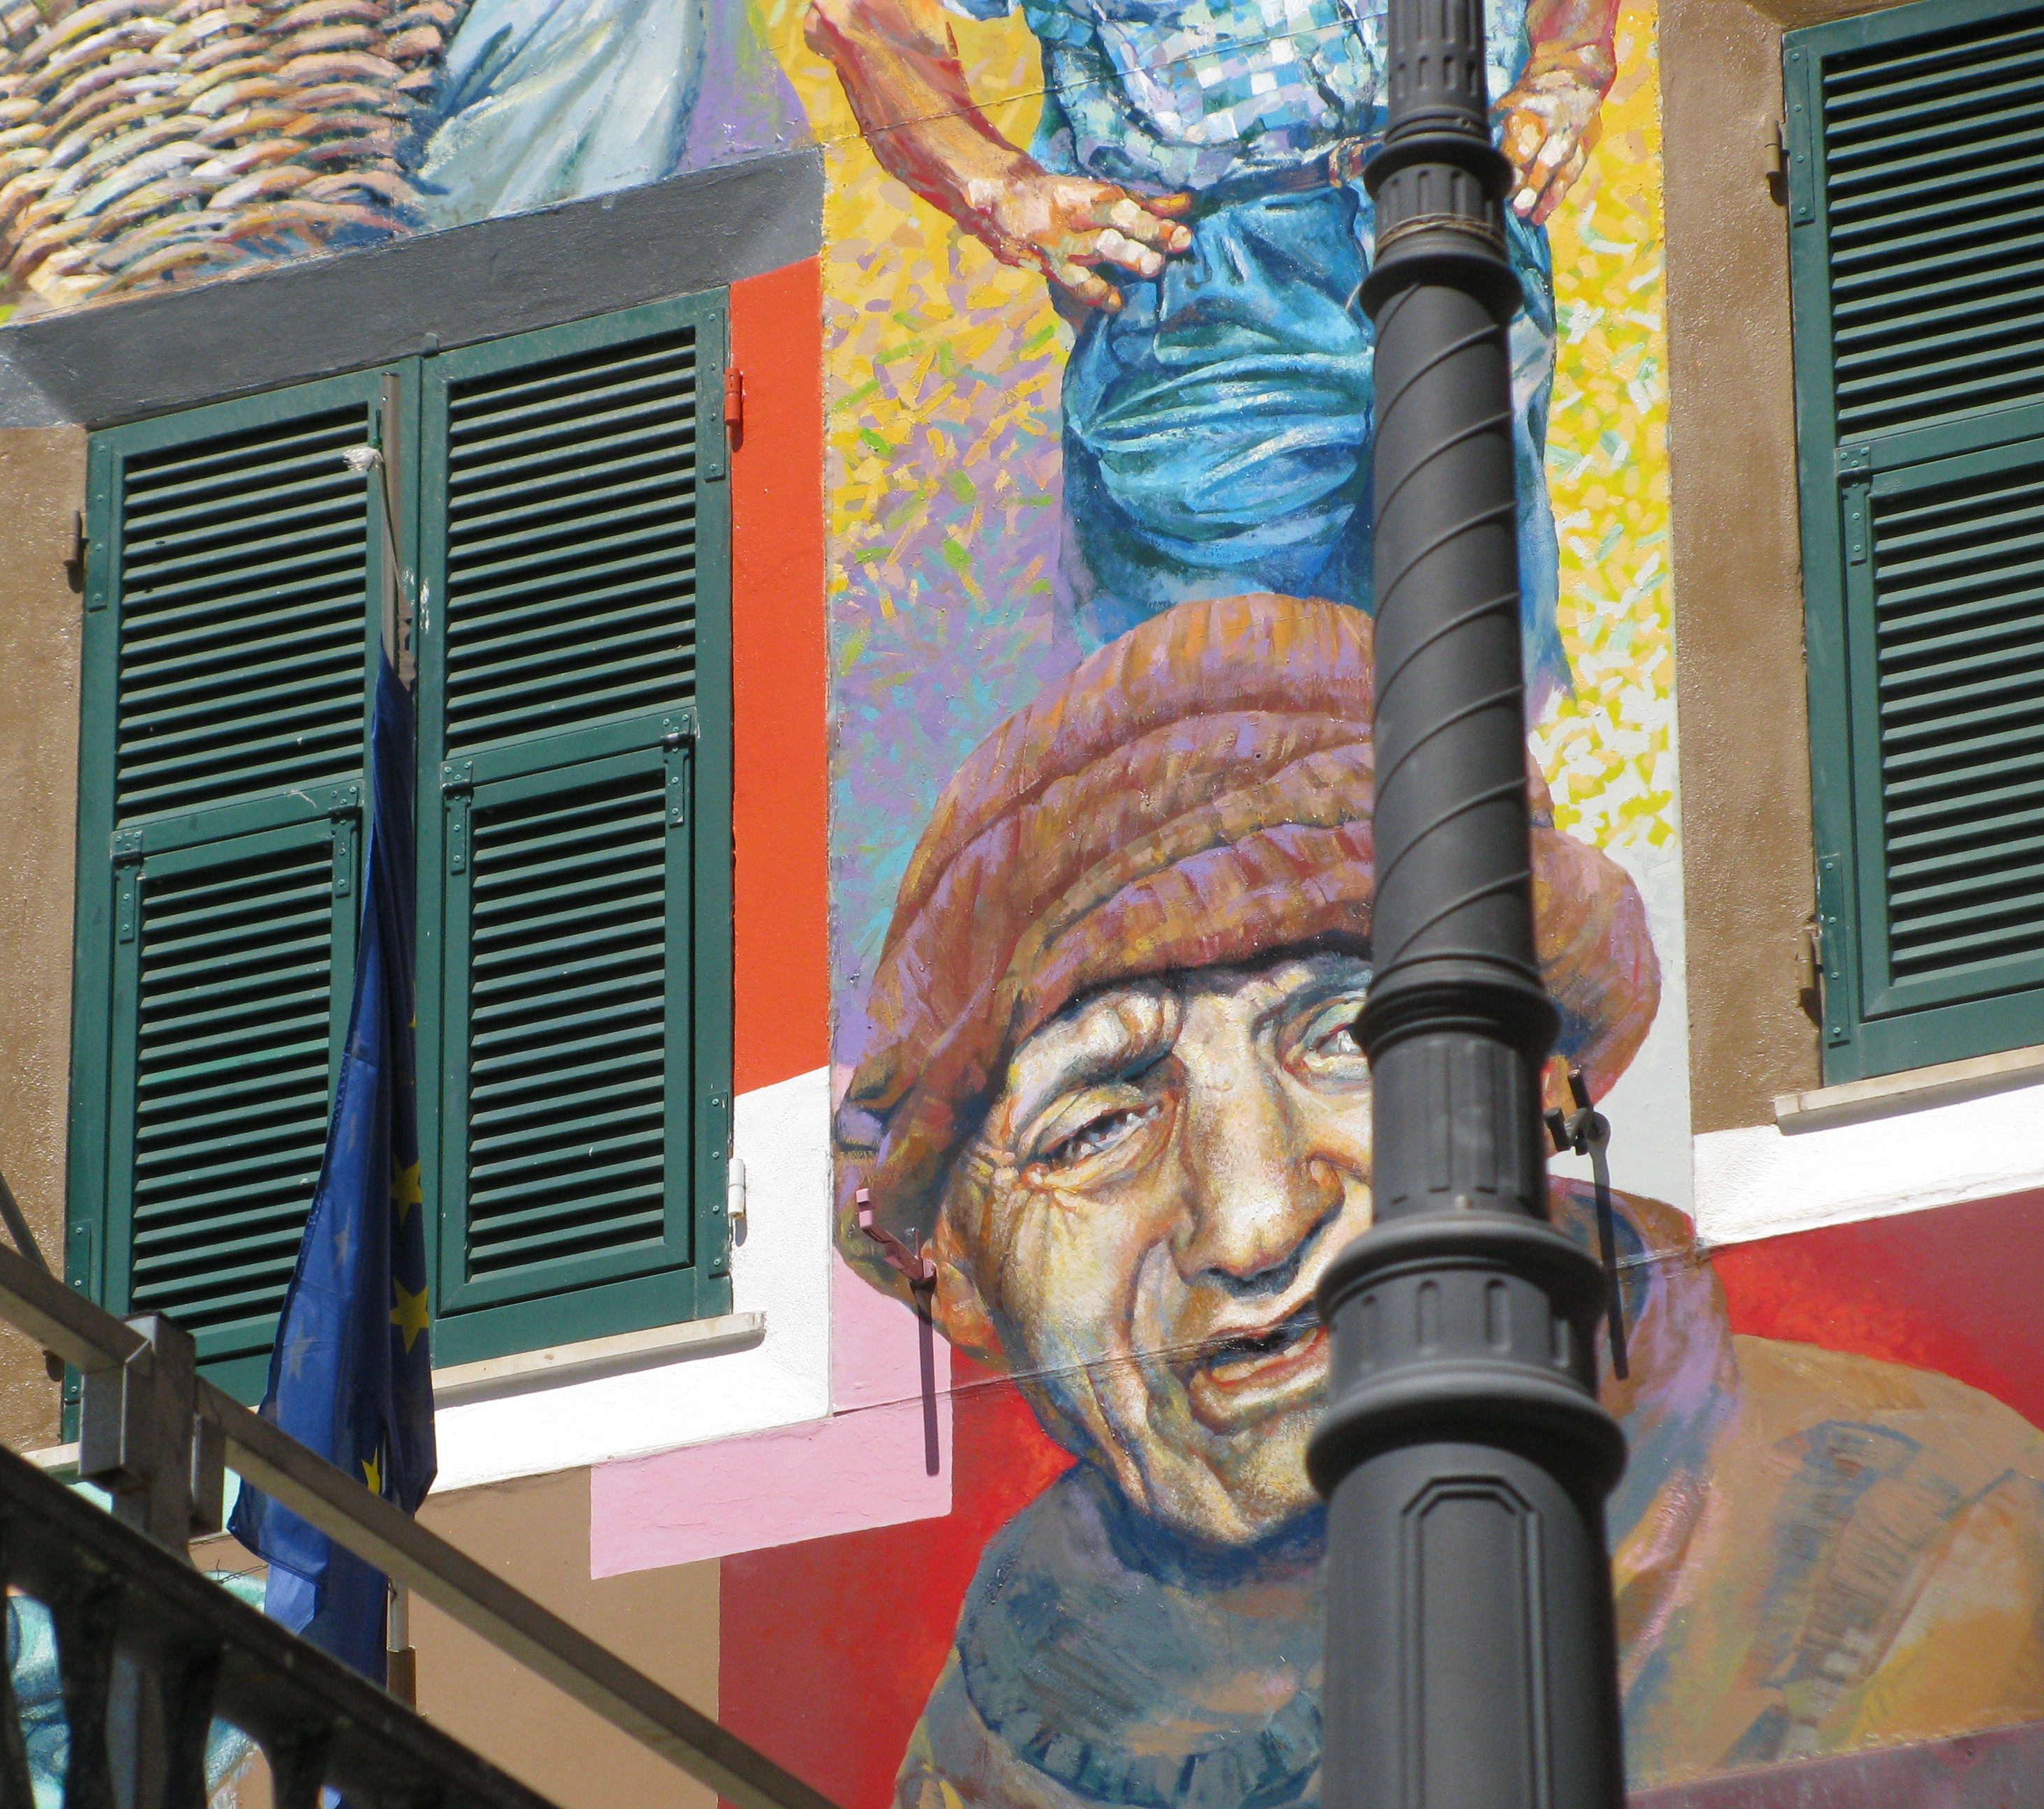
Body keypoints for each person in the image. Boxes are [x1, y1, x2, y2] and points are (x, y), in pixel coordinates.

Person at [835, 593, 2044, 1808]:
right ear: (958, 1273)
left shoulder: (1933, 1555)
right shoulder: (969, 1756)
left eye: (1350, 1037)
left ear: (1545, 1081)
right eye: (1096, 1125)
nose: (1255, 1224)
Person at [806, 0, 1614, 684]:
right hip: (1214, 287)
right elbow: (859, 13)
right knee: (1214, 736)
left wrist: (1570, 67)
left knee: (1482, 709)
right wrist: (1000, 189)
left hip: (1465, 232)